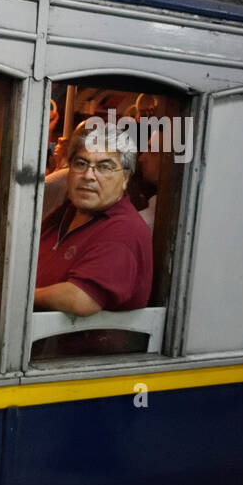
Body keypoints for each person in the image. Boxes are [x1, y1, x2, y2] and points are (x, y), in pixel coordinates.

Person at [34, 122, 152, 354]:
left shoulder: (123, 229)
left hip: (85, 371)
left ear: (126, 178)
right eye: (81, 164)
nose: (88, 175)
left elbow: (81, 298)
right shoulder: (66, 213)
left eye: (105, 167)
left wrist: (20, 295)